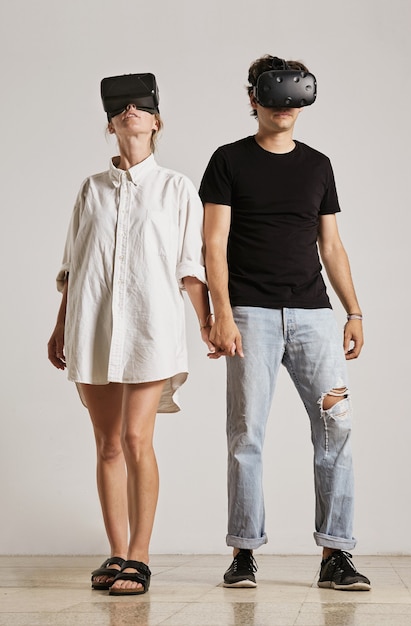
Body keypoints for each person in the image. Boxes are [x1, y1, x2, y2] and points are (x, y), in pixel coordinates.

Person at [199, 54, 371, 591]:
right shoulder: (228, 160)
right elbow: (214, 243)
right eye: (275, 96)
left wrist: (354, 310)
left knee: (336, 427)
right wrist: (220, 314)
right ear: (254, 99)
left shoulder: (318, 165)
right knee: (246, 434)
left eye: (295, 97)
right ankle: (244, 551)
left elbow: (332, 244)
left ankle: (335, 554)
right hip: (249, 314)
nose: (285, 108)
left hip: (313, 315)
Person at [47, 73, 213, 596]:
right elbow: (74, 265)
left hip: (150, 328)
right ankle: (116, 551)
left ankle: (139, 555)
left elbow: (191, 265)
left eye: (142, 105)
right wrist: (58, 326)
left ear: (156, 120)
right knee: (107, 444)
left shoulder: (177, 188)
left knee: (138, 439)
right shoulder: (90, 188)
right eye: (122, 106)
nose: (132, 111)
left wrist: (209, 321)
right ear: (111, 122)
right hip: (92, 326)